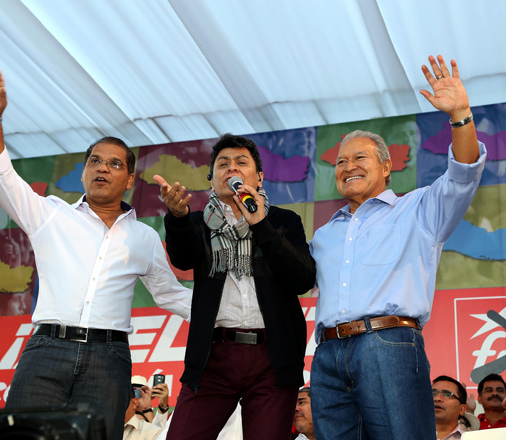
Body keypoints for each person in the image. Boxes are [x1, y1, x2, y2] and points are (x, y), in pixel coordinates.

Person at [0, 65, 191, 440]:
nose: (102, 168)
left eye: (114, 164)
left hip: (108, 360)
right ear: (83, 173)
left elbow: (171, 295)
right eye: (95, 161)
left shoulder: (143, 237)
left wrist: (235, 317)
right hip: (47, 349)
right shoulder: (50, 214)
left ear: (129, 179)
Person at [309, 55, 487, 440]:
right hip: (327, 355)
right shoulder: (324, 234)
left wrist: (460, 115)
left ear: (387, 167)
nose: (348, 166)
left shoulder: (419, 209)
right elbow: (293, 278)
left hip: (387, 345)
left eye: (360, 157)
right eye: (340, 162)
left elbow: (463, 174)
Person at [153, 133, 316, 440]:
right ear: (212, 180)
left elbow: (302, 279)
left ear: (259, 177)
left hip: (273, 358)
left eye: (241, 162)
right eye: (223, 164)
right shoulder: (198, 223)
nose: (232, 168)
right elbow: (183, 258)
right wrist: (177, 218)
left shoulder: (284, 221)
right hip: (213, 357)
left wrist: (261, 225)